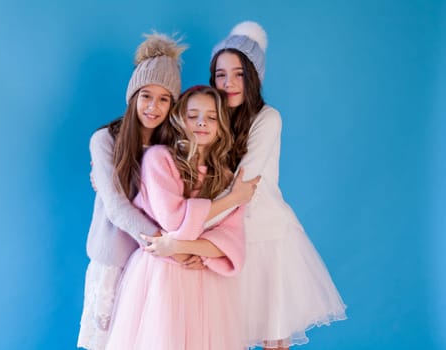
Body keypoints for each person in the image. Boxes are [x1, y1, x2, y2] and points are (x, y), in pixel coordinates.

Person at [209, 21, 348, 349]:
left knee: (274, 337)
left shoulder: (267, 118)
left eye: (239, 73)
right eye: (221, 74)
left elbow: (244, 182)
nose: (229, 83)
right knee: (225, 333)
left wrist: (195, 221)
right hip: (226, 234)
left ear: (254, 76)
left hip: (266, 236)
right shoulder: (207, 117)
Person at [105, 85, 258, 350]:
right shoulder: (158, 159)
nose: (202, 122)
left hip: (205, 279)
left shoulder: (226, 176)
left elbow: (231, 243)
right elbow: (174, 222)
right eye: (193, 115)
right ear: (179, 119)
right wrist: (232, 199)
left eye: (211, 117)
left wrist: (177, 246)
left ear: (222, 125)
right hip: (161, 276)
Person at [77, 32, 187, 350]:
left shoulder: (174, 148)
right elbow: (116, 206)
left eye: (164, 98)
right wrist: (166, 245)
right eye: (146, 96)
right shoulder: (105, 141)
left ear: (173, 104)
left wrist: (173, 248)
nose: (153, 107)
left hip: (157, 265)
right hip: (117, 261)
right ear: (133, 96)